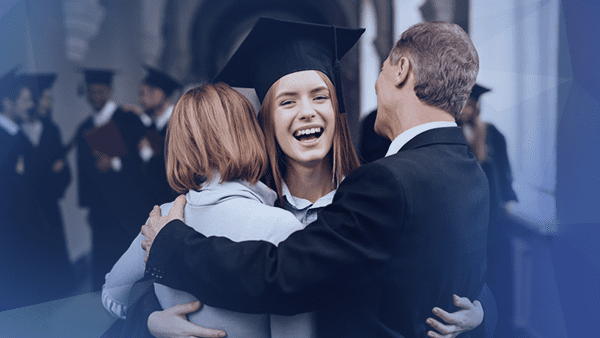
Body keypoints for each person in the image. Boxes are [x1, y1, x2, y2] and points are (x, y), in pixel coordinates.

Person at [139, 19, 491, 338]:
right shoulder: (230, 201)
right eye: (287, 102)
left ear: (336, 109)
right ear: (266, 119)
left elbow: (448, 264)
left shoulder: (376, 190)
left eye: (320, 96)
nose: (307, 111)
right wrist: (149, 322)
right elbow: (142, 288)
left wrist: (482, 312)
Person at [102, 82, 304, 337]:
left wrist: (152, 319)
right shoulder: (282, 227)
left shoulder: (160, 221)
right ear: (251, 135)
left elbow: (111, 295)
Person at [74, 68, 149, 290]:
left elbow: (144, 159)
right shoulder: (84, 128)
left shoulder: (127, 119)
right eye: (91, 92)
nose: (95, 96)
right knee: (103, 260)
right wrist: (88, 206)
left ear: (109, 90)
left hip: (128, 203)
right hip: (100, 207)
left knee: (127, 256)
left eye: (99, 91)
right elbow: (83, 172)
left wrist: (115, 163)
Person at [457, 83, 517, 336]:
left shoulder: (492, 135)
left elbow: (505, 178)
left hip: (494, 224)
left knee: (498, 281)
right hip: (465, 225)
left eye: (472, 104)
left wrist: (508, 206)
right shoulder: (451, 137)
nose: (468, 109)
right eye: (464, 103)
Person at [18, 72, 75, 297]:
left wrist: (52, 175)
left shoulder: (51, 130)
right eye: (45, 98)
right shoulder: (16, 133)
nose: (48, 103)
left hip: (48, 206)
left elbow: (63, 171)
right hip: (24, 210)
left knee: (54, 259)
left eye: (50, 99)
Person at [132, 65, 182, 209]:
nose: (140, 100)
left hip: (172, 204)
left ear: (158, 93)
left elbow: (170, 169)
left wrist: (147, 155)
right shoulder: (156, 127)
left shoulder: (177, 125)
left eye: (143, 93)